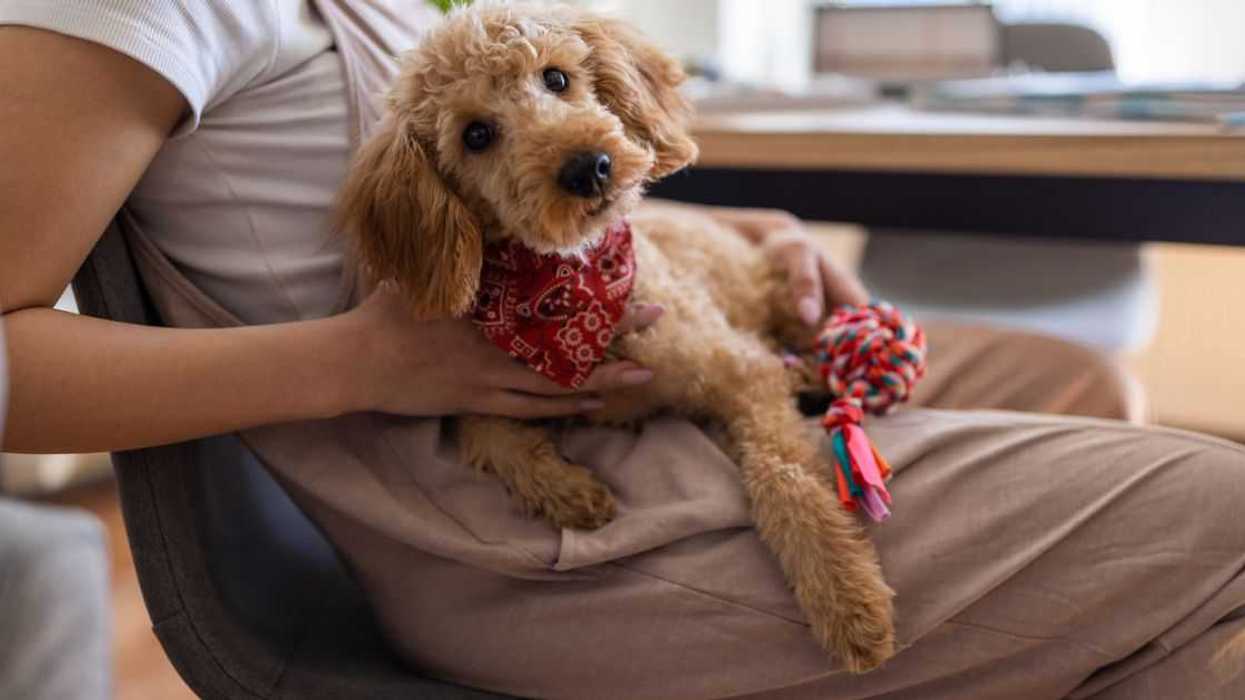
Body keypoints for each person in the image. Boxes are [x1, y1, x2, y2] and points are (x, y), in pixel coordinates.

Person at [2, 3, 1243, 698]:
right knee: (1223, 516)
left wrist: (748, 226)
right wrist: (365, 362)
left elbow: (536, 212)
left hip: (642, 354)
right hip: (493, 505)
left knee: (1075, 375)